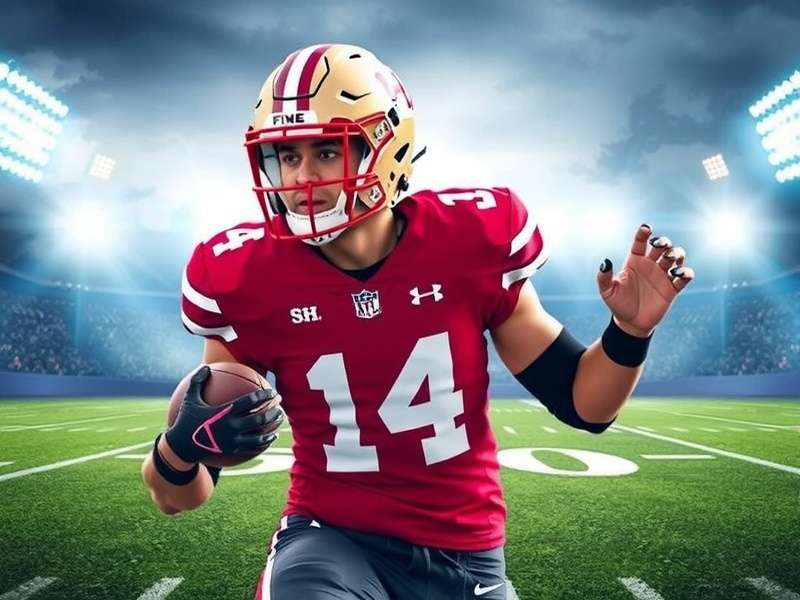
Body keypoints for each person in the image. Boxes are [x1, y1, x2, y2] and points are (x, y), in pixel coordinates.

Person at [141, 44, 695, 599]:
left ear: (386, 149)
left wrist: (631, 332)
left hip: (468, 555)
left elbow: (583, 405)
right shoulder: (246, 274)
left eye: (326, 153)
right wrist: (180, 449)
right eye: (288, 157)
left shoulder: (469, 241)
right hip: (331, 540)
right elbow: (176, 496)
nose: (302, 177)